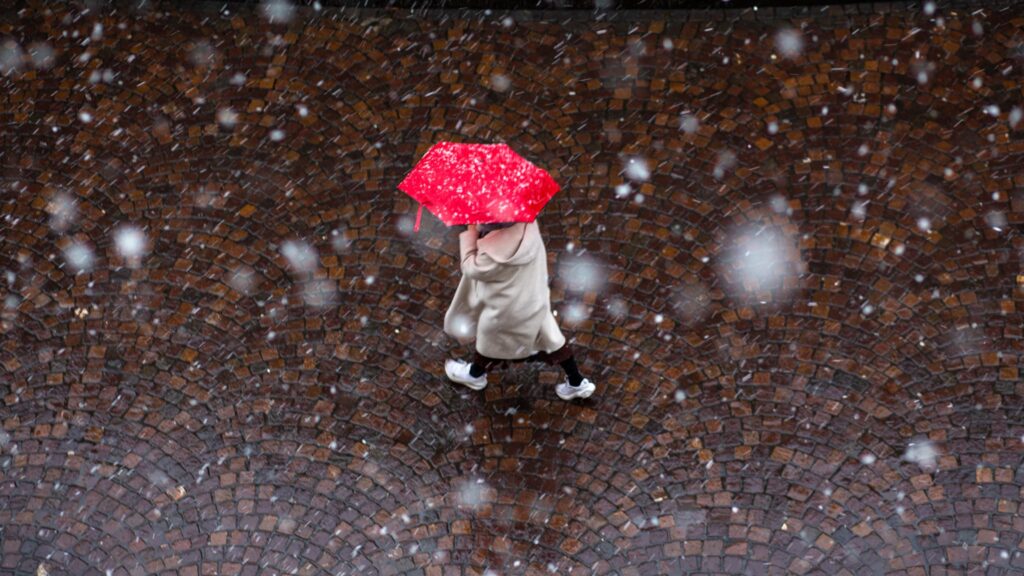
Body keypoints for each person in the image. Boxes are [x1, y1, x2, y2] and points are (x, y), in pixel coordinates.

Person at [443, 221, 595, 400]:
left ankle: (475, 375)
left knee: (490, 341)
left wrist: (471, 232)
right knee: (551, 340)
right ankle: (576, 381)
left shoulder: (492, 253)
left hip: (506, 307)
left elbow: (471, 268)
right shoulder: (527, 226)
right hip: (531, 298)